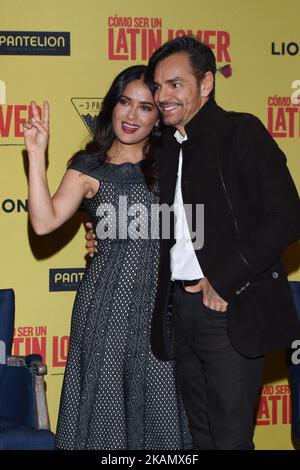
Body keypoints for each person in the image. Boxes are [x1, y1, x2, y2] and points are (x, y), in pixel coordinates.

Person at [86, 37, 300, 450]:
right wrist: (103, 232)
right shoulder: (164, 148)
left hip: (229, 309)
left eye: (175, 84)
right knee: (198, 438)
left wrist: (223, 279)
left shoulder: (241, 132)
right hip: (177, 312)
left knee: (230, 440)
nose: (163, 96)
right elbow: (146, 209)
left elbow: (286, 217)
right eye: (158, 86)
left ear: (205, 84)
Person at [23, 65, 191, 450]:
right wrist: (36, 155)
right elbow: (44, 222)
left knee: (164, 415)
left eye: (146, 108)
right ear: (111, 106)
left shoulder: (176, 162)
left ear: (159, 115)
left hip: (163, 310)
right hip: (106, 308)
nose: (132, 116)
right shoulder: (89, 167)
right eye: (124, 103)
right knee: (105, 417)